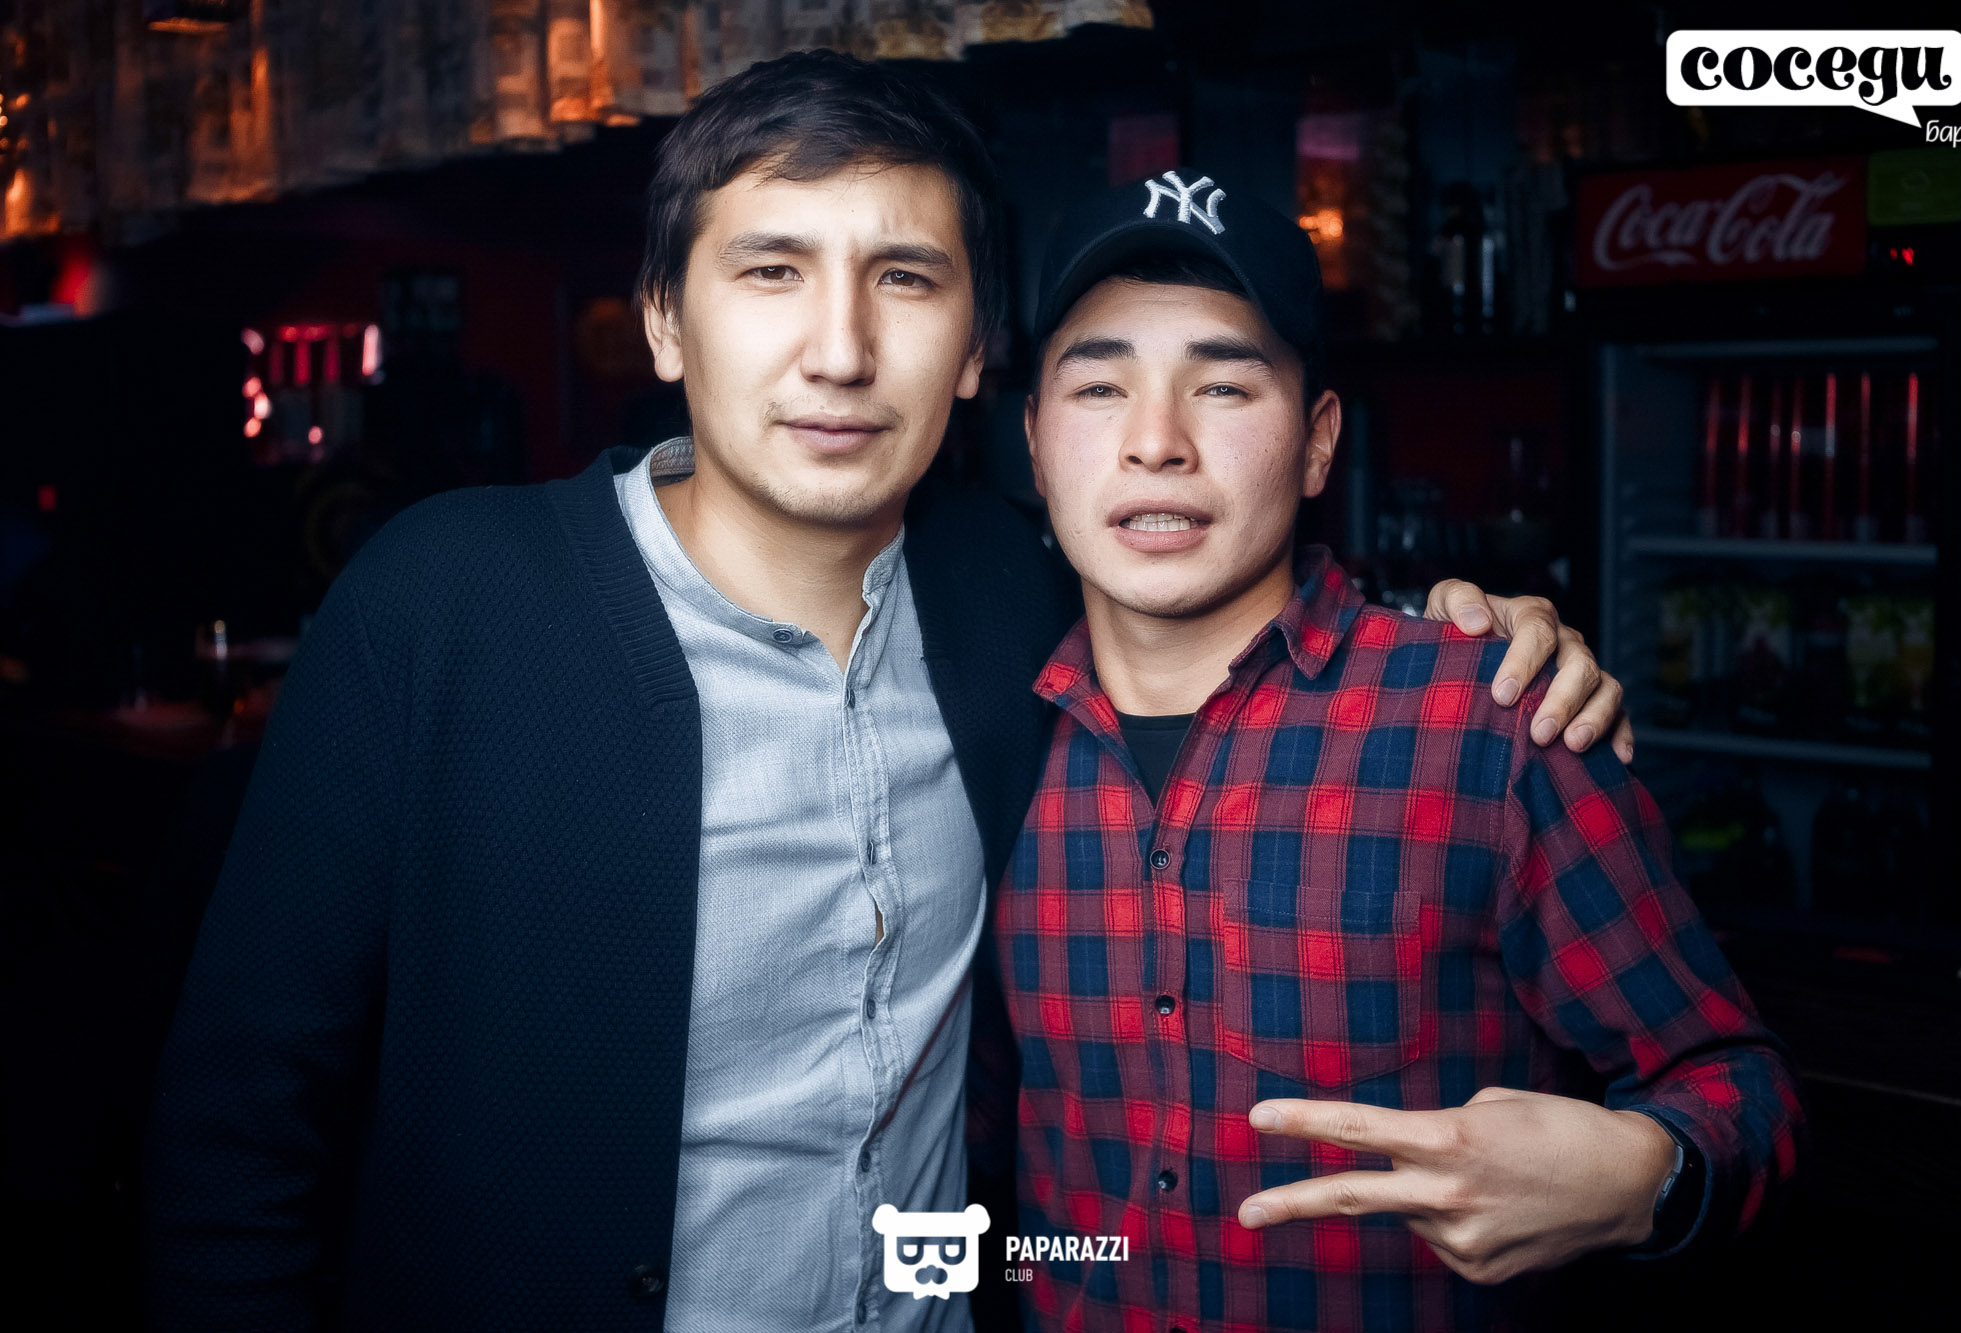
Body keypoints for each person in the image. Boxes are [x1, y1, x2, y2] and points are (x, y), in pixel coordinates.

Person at [146, 53, 1627, 1333]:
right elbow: (237, 1132)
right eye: (770, 270)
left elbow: (1217, 581)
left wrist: (1464, 631)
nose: (842, 352)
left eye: (904, 279)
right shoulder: (444, 602)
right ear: (663, 319)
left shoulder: (1005, 600)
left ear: (977, 355)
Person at [993, 175, 1804, 1331]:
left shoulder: (1492, 720)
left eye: (1222, 385)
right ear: (1033, 441)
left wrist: (1641, 1180)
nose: (1156, 442)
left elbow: (1739, 1086)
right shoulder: (986, 736)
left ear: (1317, 442)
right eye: (1098, 386)